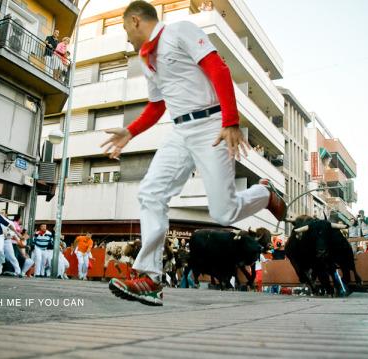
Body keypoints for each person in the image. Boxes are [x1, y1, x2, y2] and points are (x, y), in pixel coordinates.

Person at [101, 1, 286, 306]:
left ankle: (263, 194)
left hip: (211, 124)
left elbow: (218, 68)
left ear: (135, 21)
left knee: (224, 212)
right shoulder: (148, 60)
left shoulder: (179, 31)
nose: (126, 36)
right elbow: (157, 105)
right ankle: (150, 277)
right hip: (180, 130)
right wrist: (130, 131)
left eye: (124, 29)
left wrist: (230, 122)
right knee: (150, 192)